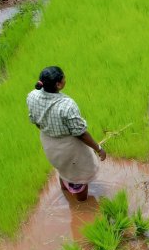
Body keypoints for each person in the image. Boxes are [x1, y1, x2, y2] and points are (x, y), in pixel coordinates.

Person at [26, 66, 107, 201]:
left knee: (62, 168)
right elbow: (80, 133)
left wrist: (48, 130)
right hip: (68, 147)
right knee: (79, 176)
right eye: (63, 77)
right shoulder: (67, 105)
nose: (65, 78)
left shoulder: (32, 96)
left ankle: (66, 193)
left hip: (48, 143)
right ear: (58, 84)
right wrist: (98, 149)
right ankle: (81, 205)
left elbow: (35, 121)